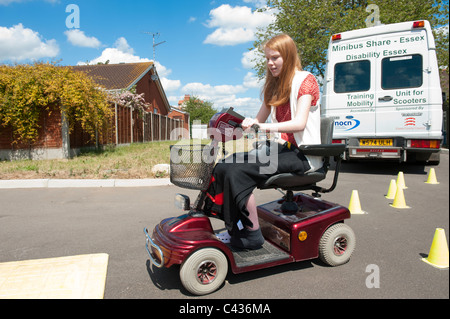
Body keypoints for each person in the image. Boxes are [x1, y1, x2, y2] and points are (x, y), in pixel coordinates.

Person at [204, 34, 322, 250]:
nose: (270, 63)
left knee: (237, 171)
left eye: (275, 58)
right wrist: (233, 127)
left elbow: (299, 123)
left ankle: (253, 234)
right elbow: (256, 122)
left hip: (303, 154)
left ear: (288, 56)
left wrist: (261, 127)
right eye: (267, 58)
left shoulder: (306, 80)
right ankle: (236, 226)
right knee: (224, 166)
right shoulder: (273, 86)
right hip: (278, 149)